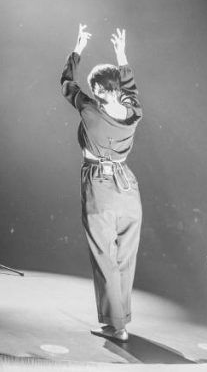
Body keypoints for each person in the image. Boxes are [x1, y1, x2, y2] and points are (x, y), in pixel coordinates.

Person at [61, 23, 143, 342]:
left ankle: (116, 325)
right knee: (124, 258)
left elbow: (67, 83)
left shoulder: (90, 111)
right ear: (118, 89)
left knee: (104, 257)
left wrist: (77, 49)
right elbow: (131, 91)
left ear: (96, 90)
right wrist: (122, 55)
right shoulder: (134, 111)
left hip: (99, 186)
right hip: (127, 187)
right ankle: (121, 318)